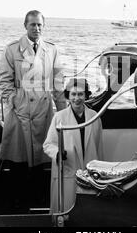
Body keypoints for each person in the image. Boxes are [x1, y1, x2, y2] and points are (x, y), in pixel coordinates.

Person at [0, 10, 67, 209]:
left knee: (42, 156)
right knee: (18, 157)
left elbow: (58, 83)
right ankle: (17, 201)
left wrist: (63, 113)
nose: (36, 28)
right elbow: (3, 81)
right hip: (20, 109)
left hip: (44, 108)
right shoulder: (12, 50)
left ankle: (39, 197)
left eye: (39, 25)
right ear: (25, 26)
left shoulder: (52, 50)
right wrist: (15, 100)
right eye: (32, 25)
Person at [43, 78, 103, 213]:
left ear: (86, 95)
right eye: (73, 94)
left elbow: (99, 147)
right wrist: (58, 153)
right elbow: (48, 145)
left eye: (81, 94)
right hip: (67, 170)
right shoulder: (59, 117)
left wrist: (100, 172)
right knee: (65, 210)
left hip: (89, 172)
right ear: (68, 96)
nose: (77, 98)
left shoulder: (95, 117)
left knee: (88, 212)